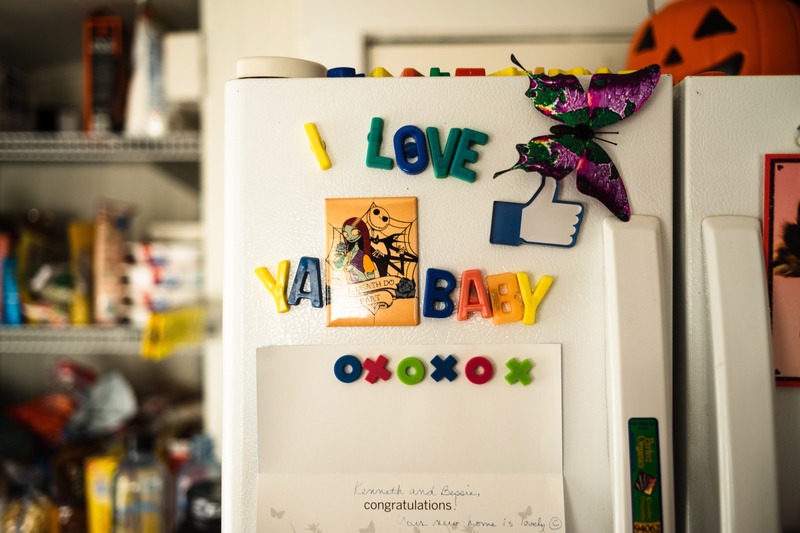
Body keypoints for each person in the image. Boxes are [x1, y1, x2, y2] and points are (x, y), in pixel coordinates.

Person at [332, 217, 377, 283]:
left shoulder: (364, 257)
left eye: (354, 232)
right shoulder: (347, 256)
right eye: (346, 234)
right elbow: (336, 267)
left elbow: (371, 279)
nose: (349, 237)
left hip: (362, 286)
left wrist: (353, 268)